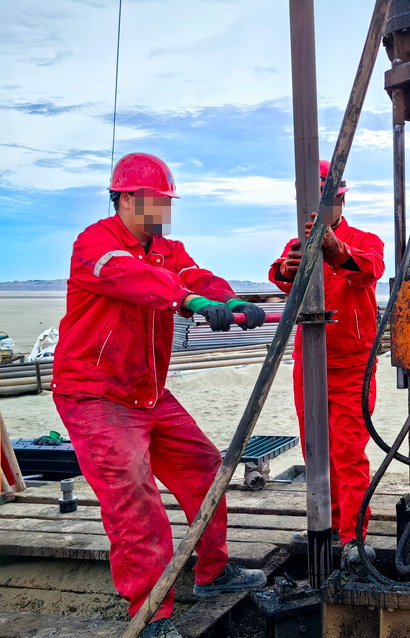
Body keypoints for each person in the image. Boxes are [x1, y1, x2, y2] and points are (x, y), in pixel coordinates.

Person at [51, 153, 269, 638]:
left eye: (167, 204)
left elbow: (194, 276)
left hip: (147, 394)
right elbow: (137, 279)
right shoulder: (96, 244)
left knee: (205, 471)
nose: (162, 213)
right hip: (96, 395)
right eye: (155, 202)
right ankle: (152, 615)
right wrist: (190, 302)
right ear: (125, 198)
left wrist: (230, 299)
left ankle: (213, 573)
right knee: (136, 500)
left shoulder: (167, 248)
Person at [268, 159, 385, 563]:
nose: (319, 209)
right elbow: (278, 274)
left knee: (348, 452)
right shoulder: (297, 245)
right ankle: (329, 524)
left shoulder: (365, 240)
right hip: (309, 364)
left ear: (339, 199)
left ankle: (354, 537)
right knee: (316, 450)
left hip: (352, 364)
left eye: (326, 200)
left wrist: (337, 252)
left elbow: (369, 269)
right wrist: (287, 269)